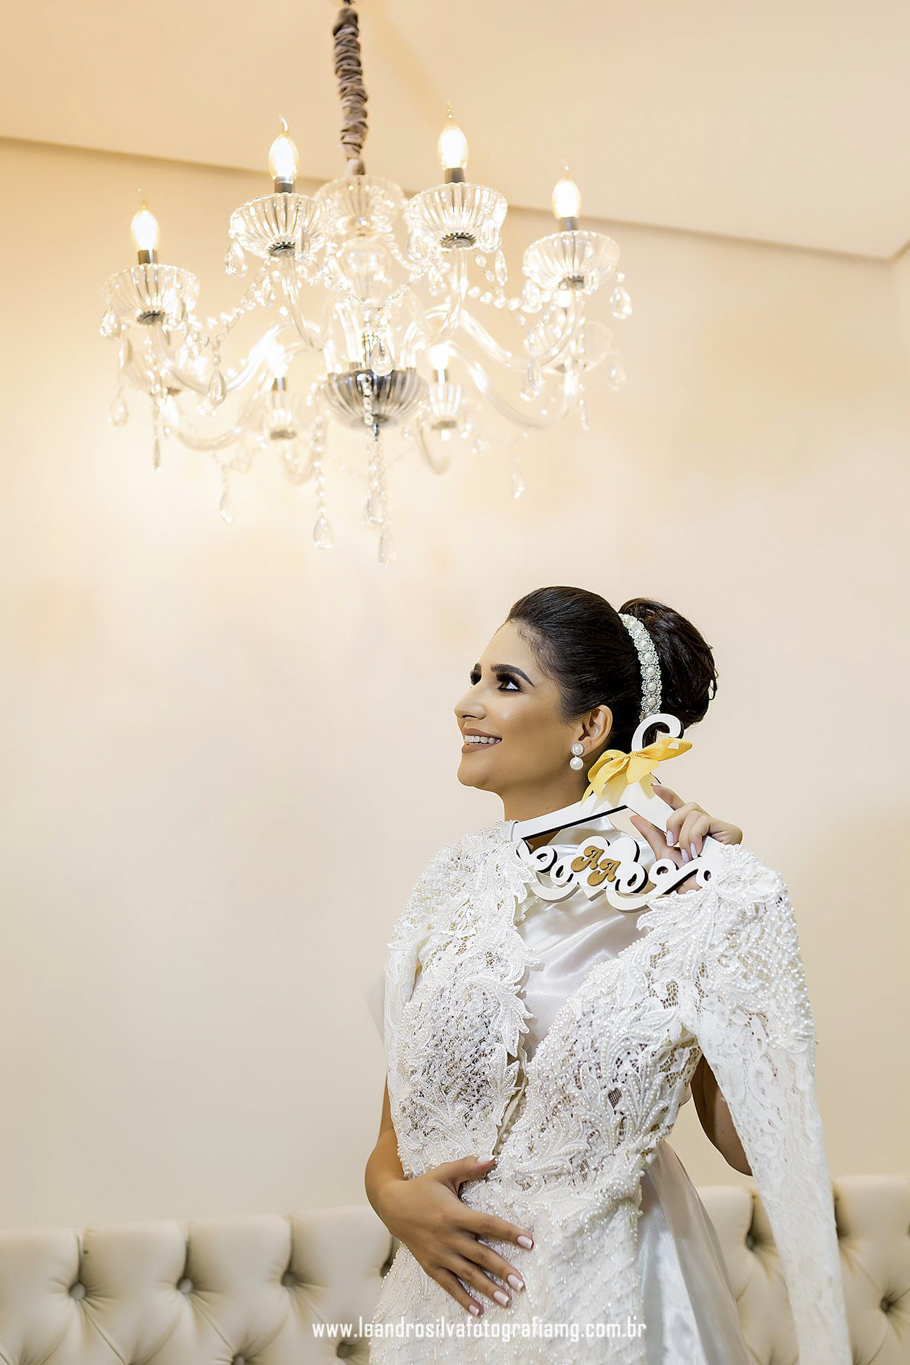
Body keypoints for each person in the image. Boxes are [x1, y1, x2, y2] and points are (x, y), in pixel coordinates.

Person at [363, 587, 850, 1364]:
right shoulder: (450, 884)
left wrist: (721, 923)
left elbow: (755, 1146)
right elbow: (397, 1132)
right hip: (449, 1302)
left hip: (619, 1293)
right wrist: (395, 1201)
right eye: (475, 676)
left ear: (588, 727)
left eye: (506, 682)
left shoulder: (680, 890)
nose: (468, 703)